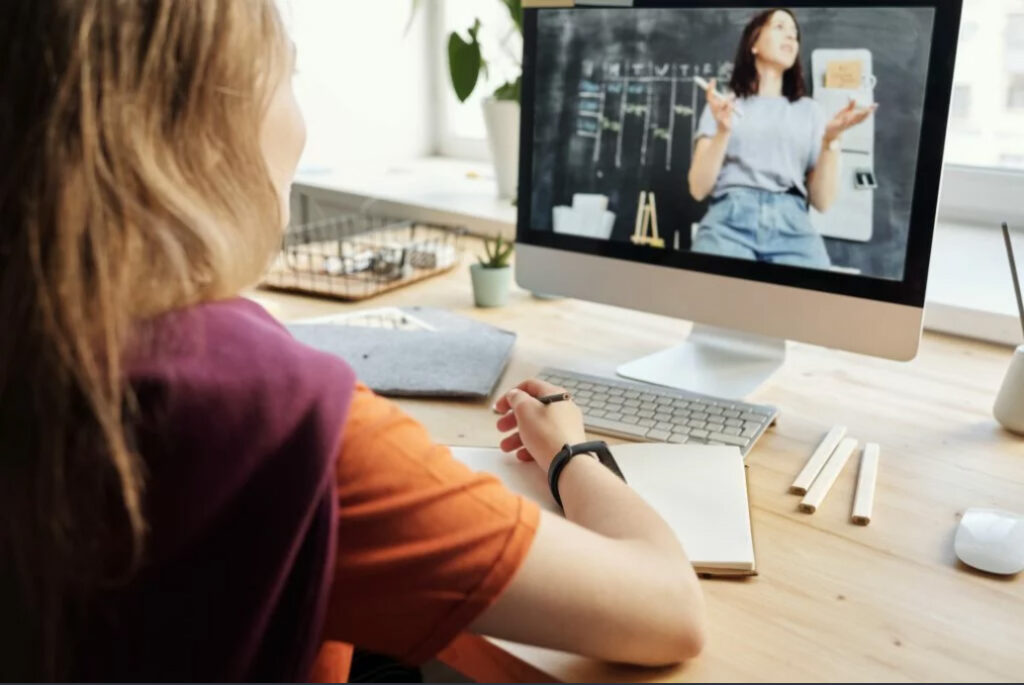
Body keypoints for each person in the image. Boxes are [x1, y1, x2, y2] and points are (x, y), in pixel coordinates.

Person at [0, 1, 706, 681]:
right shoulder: (277, 417)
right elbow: (667, 608)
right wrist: (570, 449)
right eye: (289, 79)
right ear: (205, 121)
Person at [687, 8, 877, 269]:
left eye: (794, 33)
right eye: (779, 27)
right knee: (708, 301)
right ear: (754, 42)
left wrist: (831, 141)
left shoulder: (810, 111)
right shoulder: (723, 105)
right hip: (728, 220)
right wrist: (723, 130)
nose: (790, 36)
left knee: (815, 303)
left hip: (792, 224)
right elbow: (698, 188)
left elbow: (822, 202)